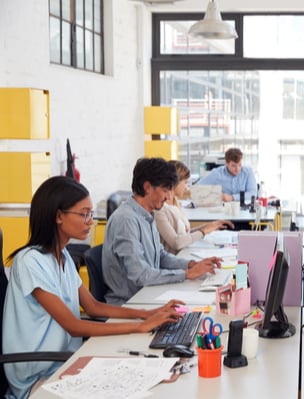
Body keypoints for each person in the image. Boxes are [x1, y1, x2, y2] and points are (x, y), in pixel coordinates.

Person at [2, 176, 184, 399]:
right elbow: (74, 326)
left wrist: (147, 314)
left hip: (66, 362)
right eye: (84, 213)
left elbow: (93, 306)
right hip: (39, 376)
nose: (90, 221)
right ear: (59, 216)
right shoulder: (30, 262)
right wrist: (141, 326)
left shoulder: (63, 256)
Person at [103, 157, 222, 305]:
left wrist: (191, 264)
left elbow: (160, 256)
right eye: (165, 190)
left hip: (147, 294)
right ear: (147, 187)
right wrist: (186, 274)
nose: (168, 197)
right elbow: (140, 275)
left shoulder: (148, 214)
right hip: (130, 303)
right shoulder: (126, 220)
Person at [156, 160, 233, 254]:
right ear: (175, 182)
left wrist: (209, 226)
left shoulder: (176, 203)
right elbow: (177, 242)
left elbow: (185, 235)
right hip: (174, 259)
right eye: (185, 182)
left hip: (184, 253)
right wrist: (203, 231)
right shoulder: (159, 209)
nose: (186, 187)